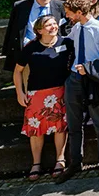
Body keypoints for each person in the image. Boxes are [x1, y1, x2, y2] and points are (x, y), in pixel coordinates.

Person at [57, 0, 99, 183]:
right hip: (74, 80)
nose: (67, 16)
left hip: (92, 80)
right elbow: (66, 40)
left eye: (69, 13)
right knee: (74, 124)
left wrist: (91, 68)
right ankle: (75, 162)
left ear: (79, 12)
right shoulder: (77, 27)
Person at [14, 15, 73, 181]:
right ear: (39, 30)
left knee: (60, 127)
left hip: (60, 91)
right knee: (36, 130)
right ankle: (36, 163)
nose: (53, 27)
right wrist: (20, 92)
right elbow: (18, 71)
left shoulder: (66, 43)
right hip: (37, 93)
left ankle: (60, 160)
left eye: (54, 23)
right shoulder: (31, 47)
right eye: (48, 25)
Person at [2, 0, 66, 73]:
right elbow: (13, 28)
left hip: (53, 50)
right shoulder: (20, 6)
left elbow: (66, 28)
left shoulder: (60, 6)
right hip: (28, 50)